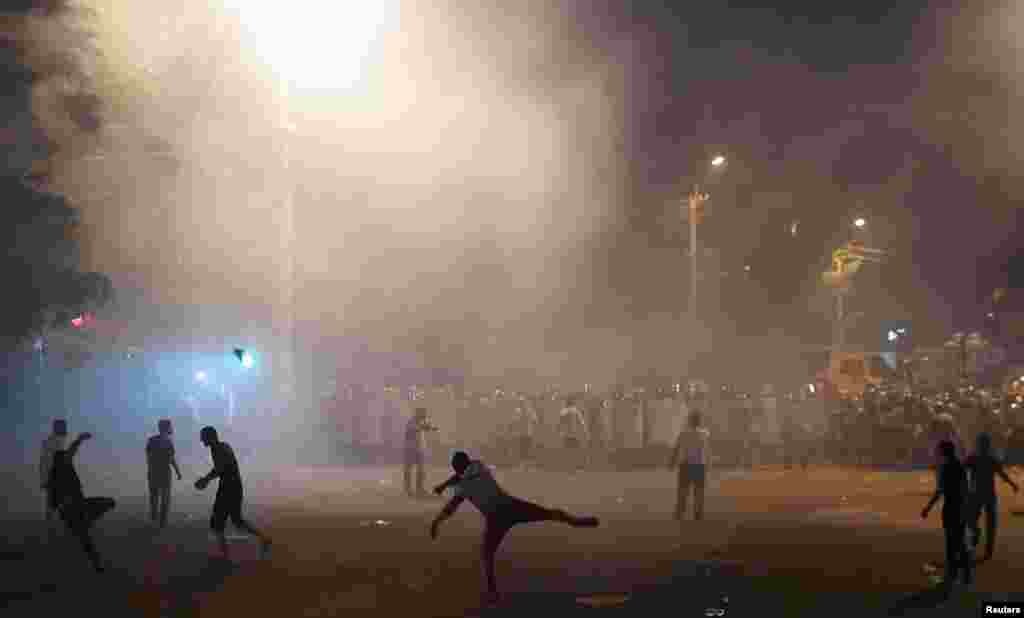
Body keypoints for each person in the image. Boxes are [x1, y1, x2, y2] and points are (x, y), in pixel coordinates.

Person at [430, 451, 599, 604]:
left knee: (487, 555)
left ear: (457, 469)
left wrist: (436, 521)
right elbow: (458, 477)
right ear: (468, 461)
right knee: (548, 513)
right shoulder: (478, 466)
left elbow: (450, 507)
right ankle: (575, 521)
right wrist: (444, 485)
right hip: (510, 506)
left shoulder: (462, 488)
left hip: (495, 519)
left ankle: (492, 592)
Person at [194, 426, 271, 561]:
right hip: (234, 486)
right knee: (236, 520)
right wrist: (207, 479)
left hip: (228, 487)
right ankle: (263, 538)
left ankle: (224, 555)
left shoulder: (218, 449)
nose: (202, 440)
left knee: (218, 521)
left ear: (209, 437)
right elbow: (220, 467)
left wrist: (205, 479)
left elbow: (220, 468)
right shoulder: (222, 446)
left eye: (203, 437)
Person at [47, 432, 116, 572]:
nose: (69, 458)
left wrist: (80, 439)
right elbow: (52, 502)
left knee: (110, 502)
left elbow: (71, 451)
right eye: (66, 458)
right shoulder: (56, 475)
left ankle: (88, 523)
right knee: (85, 539)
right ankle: (96, 563)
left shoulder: (63, 468)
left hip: (80, 505)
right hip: (71, 512)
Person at [921, 440, 972, 595]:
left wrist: (928, 508)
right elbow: (965, 489)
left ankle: (953, 575)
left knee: (951, 543)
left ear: (944, 452)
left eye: (940, 451)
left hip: (950, 509)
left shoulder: (946, 468)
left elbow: (940, 491)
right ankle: (966, 574)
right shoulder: (960, 467)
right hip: (960, 508)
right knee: (960, 541)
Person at [965, 432, 1019, 561]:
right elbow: (1002, 474)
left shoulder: (974, 458)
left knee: (972, 520)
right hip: (987, 494)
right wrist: (1012, 484)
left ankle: (977, 537)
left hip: (977, 494)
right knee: (990, 523)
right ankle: (987, 549)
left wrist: (1012, 484)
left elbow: (961, 470)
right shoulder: (988, 458)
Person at [669, 410, 712, 521]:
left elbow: (676, 448)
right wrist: (708, 464)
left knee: (683, 491)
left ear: (690, 420)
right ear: (699, 421)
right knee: (699, 492)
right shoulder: (705, 433)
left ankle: (679, 514)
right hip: (699, 466)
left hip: (686, 465)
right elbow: (707, 451)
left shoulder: (684, 433)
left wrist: (672, 462)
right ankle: (698, 515)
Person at [146, 418, 183, 528]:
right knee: (165, 498)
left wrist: (151, 470)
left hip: (153, 472)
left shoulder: (151, 440)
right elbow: (171, 459)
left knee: (154, 497)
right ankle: (162, 522)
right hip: (165, 472)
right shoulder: (168, 442)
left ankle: (153, 519)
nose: (172, 428)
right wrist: (178, 472)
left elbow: (149, 457)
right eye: (170, 426)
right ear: (167, 428)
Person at [403, 408, 437, 497]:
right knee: (409, 469)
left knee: (421, 470)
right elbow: (415, 429)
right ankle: (408, 489)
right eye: (423, 414)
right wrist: (426, 427)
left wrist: (429, 427)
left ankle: (419, 488)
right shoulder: (411, 422)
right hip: (410, 449)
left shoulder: (420, 422)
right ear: (418, 414)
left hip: (419, 449)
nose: (424, 416)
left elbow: (424, 427)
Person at [40, 419, 67, 525]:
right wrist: (45, 480)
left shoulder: (58, 441)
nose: (65, 429)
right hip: (53, 478)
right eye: (63, 427)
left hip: (55, 478)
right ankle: (51, 528)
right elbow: (45, 462)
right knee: (53, 505)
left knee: (55, 505)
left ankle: (53, 526)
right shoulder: (52, 442)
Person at [558, 397, 588, 469]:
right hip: (575, 435)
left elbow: (559, 424)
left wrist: (559, 431)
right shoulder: (576, 411)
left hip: (566, 435)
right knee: (575, 451)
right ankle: (574, 465)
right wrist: (585, 432)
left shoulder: (563, 411)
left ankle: (568, 465)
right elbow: (581, 423)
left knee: (567, 451)